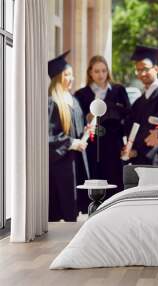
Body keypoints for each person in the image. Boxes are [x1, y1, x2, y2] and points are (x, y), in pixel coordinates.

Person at [75, 55, 130, 200]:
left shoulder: (118, 90)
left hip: (114, 143)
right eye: (97, 71)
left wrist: (128, 143)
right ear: (90, 73)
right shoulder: (81, 94)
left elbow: (128, 116)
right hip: (93, 144)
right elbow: (78, 120)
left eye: (104, 71)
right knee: (95, 177)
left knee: (114, 179)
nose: (101, 75)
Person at [48, 51, 89, 222]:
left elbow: (75, 128)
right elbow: (47, 136)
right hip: (61, 164)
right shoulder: (52, 101)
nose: (71, 79)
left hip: (76, 161)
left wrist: (86, 131)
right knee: (63, 206)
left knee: (75, 207)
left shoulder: (73, 100)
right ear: (58, 77)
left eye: (72, 75)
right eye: (67, 75)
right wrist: (72, 142)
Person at [123, 45, 158, 164]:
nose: (142, 73)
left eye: (145, 69)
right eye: (138, 70)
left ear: (156, 69)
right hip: (141, 160)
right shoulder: (140, 100)